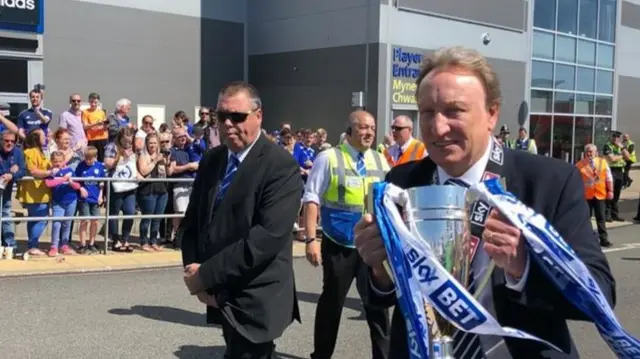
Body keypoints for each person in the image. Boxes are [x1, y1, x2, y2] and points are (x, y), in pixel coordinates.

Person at [354, 47, 615, 359]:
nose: (438, 128)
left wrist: (524, 267)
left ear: (492, 114)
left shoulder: (548, 181)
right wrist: (378, 270)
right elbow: (380, 294)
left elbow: (600, 292)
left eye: (454, 111)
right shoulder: (401, 182)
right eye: (426, 112)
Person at [181, 81, 302, 359]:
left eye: (237, 116)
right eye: (221, 116)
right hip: (219, 290)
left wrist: (205, 275)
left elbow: (266, 239)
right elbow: (193, 223)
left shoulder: (281, 167)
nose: (228, 124)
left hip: (256, 297)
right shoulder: (212, 160)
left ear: (258, 115)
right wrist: (196, 276)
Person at [303, 110, 390, 359]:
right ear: (349, 131)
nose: (369, 133)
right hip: (339, 242)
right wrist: (311, 240)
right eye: (363, 128)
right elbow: (311, 199)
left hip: (372, 246)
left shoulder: (379, 160)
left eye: (372, 128)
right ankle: (321, 354)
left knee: (378, 306)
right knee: (332, 303)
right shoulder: (329, 158)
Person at [602, 131, 625, 222]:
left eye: (617, 137)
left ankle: (615, 214)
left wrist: (622, 150)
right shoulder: (607, 146)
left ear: (619, 138)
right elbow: (611, 159)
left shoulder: (621, 146)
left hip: (620, 171)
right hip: (611, 171)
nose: (615, 138)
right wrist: (621, 155)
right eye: (613, 137)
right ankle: (607, 215)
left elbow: (628, 156)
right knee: (609, 193)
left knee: (617, 194)